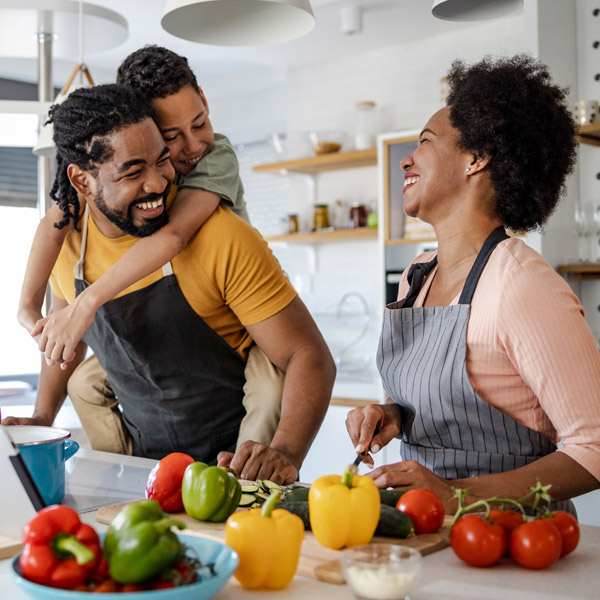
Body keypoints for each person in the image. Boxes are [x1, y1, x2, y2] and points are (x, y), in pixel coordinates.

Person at [5, 83, 336, 484]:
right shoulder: (67, 243)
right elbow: (64, 343)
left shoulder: (221, 236)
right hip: (143, 469)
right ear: (82, 181)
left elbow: (310, 355)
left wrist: (284, 451)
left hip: (235, 467)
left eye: (162, 160)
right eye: (132, 171)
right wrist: (42, 417)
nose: (158, 184)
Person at [346, 55, 600, 515]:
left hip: (512, 543)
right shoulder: (416, 275)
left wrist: (459, 494)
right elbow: (443, 406)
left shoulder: (521, 284)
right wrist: (392, 415)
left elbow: (595, 449)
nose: (407, 157)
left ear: (476, 159)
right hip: (424, 532)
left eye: (425, 141)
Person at [16, 46, 285, 453]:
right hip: (156, 375)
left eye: (199, 124)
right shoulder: (84, 211)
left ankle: (251, 477)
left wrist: (86, 304)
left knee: (269, 391)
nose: (191, 147)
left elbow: (173, 237)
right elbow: (56, 218)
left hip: (246, 331)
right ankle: (124, 469)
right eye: (171, 137)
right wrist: (26, 309)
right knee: (84, 383)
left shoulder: (216, 159)